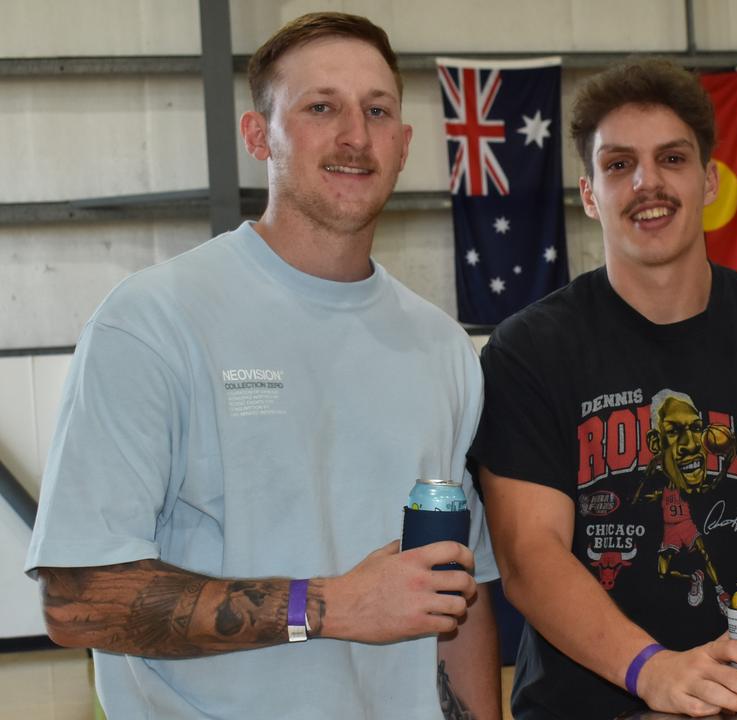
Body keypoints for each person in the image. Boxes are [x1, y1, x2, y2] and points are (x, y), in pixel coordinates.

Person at [24, 12, 500, 719]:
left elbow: (457, 593)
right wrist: (330, 605)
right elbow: (77, 601)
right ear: (258, 136)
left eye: (377, 111)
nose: (354, 135)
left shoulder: (442, 350)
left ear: (402, 146)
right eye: (320, 108)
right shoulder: (155, 321)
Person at [468, 59, 737, 718]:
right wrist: (651, 668)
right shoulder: (529, 350)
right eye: (619, 165)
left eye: (671, 159)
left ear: (708, 181)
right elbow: (529, 554)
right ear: (589, 194)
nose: (647, 182)